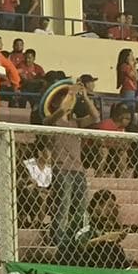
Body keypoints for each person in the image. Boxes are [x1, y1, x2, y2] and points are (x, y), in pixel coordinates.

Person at [45, 78, 98, 248]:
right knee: (63, 208)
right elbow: (61, 111)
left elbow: (95, 116)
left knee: (80, 209)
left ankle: (77, 239)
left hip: (78, 170)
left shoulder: (76, 123)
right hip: (62, 169)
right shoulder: (51, 121)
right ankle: (59, 242)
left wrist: (85, 96)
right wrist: (71, 92)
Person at [58, 188, 129, 268]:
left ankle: (124, 271)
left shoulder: (100, 221)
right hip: (69, 255)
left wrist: (117, 237)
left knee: (114, 248)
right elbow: (83, 245)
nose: (111, 210)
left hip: (84, 255)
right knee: (108, 248)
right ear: (97, 205)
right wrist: (107, 237)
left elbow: (99, 241)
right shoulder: (84, 217)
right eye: (109, 206)